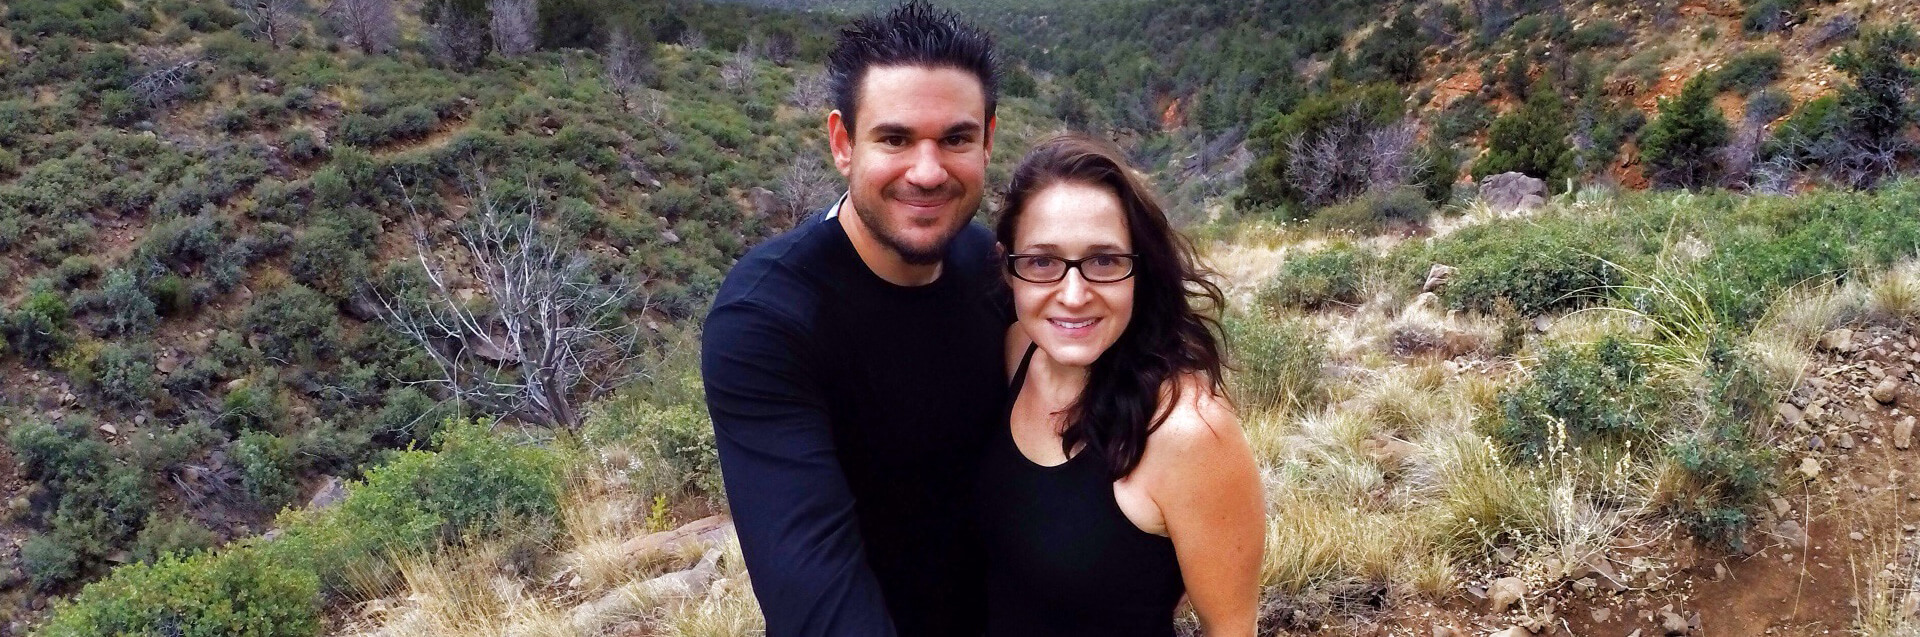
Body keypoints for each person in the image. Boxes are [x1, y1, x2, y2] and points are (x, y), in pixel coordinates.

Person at [700, 2, 1003, 636]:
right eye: (894, 139)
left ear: (987, 141)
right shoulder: (767, 320)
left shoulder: (990, 269)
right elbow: (814, 591)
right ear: (843, 143)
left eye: (955, 138)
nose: (927, 171)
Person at [976, 133, 1265, 637]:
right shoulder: (1016, 350)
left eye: (1104, 260)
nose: (1072, 294)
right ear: (1009, 270)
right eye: (1042, 262)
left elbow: (1232, 628)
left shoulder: (1189, 433)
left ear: (1140, 270)